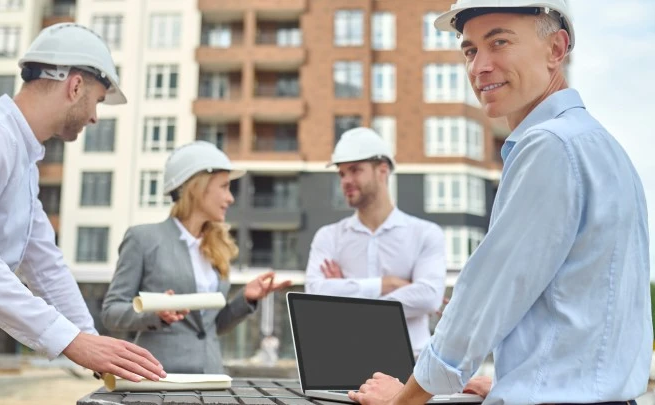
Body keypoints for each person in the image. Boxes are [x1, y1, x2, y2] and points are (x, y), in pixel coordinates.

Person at [348, 1, 652, 405]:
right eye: (471, 50)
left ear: (556, 49)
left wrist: (406, 398)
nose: (478, 67)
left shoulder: (550, 146)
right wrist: (525, 379)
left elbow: (485, 295)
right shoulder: (602, 148)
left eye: (500, 42)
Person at [0, 23, 167, 404]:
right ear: (74, 86)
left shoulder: (21, 158)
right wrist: (71, 341)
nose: (94, 117)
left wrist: (93, 347)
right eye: (97, 100)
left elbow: (43, 263)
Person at [101, 141, 292, 374]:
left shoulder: (218, 246)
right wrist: (154, 313)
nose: (230, 198)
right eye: (224, 187)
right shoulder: (143, 239)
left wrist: (245, 299)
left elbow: (211, 326)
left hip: (211, 376)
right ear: (197, 187)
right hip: (160, 376)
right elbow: (112, 312)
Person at [305, 127, 447, 356]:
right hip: (346, 358)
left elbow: (429, 298)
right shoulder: (328, 236)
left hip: (412, 363)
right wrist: (388, 284)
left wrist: (344, 303)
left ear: (382, 171)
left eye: (355, 170)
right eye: (341, 174)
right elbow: (313, 296)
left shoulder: (426, 233)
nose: (346, 181)